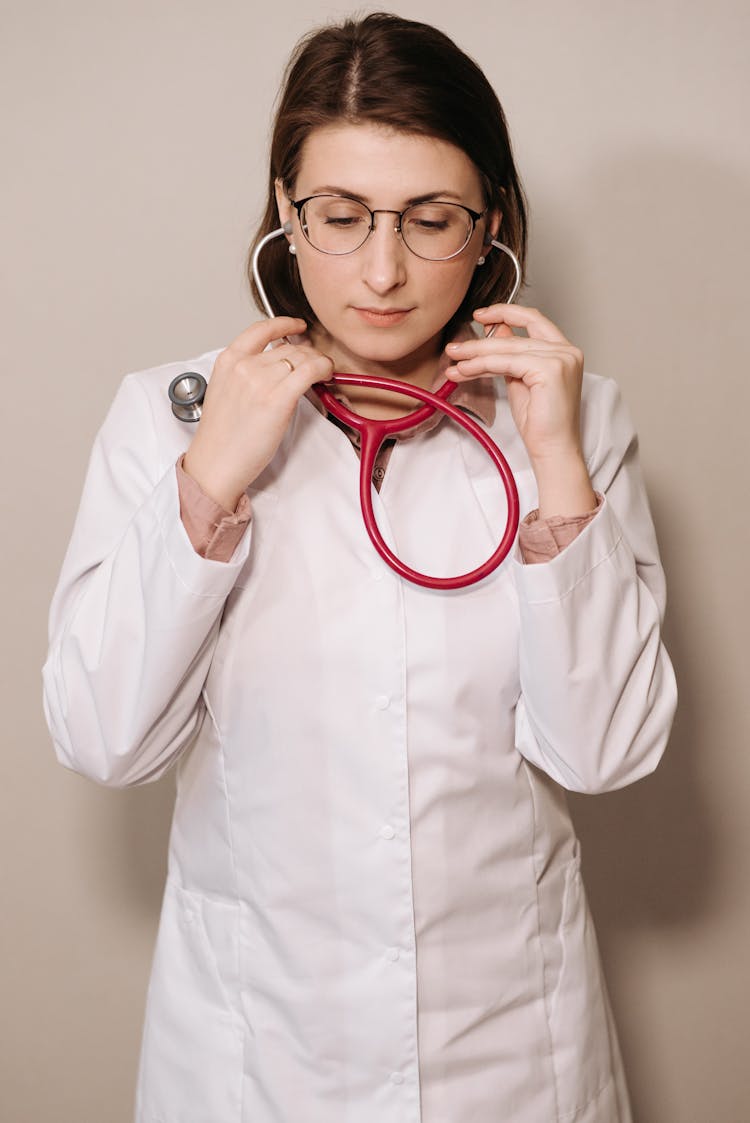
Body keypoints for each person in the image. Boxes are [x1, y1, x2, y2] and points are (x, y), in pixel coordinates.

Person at [43, 12, 677, 1123]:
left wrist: (559, 468)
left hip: (511, 1062)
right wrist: (207, 485)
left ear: (492, 229)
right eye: (338, 219)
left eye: (431, 221)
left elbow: (608, 752)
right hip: (252, 1060)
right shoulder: (167, 418)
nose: (382, 271)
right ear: (285, 217)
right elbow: (103, 739)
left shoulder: (573, 421)